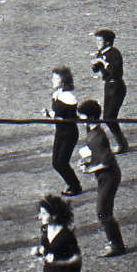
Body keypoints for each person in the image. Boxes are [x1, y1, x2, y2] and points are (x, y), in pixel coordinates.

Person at [77, 100, 125, 256]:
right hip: (104, 177)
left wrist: (90, 169)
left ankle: (116, 246)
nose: (79, 118)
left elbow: (107, 161)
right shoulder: (91, 131)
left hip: (109, 176)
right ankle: (115, 243)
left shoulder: (97, 136)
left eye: (82, 116)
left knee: (102, 211)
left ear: (90, 117)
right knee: (105, 211)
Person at [45, 67, 84, 196]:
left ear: (63, 80)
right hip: (60, 132)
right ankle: (72, 183)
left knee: (62, 162)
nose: (52, 80)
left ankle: (75, 186)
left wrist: (55, 116)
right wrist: (50, 114)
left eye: (56, 78)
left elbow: (70, 117)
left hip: (69, 134)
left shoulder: (69, 97)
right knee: (56, 163)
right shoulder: (57, 93)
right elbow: (58, 114)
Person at [89, 29, 129, 153]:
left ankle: (122, 144)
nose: (97, 43)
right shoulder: (101, 53)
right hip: (109, 86)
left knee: (109, 117)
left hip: (116, 86)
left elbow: (113, 71)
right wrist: (95, 64)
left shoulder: (114, 54)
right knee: (108, 117)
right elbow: (96, 69)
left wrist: (102, 62)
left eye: (99, 40)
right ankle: (121, 143)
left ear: (107, 42)